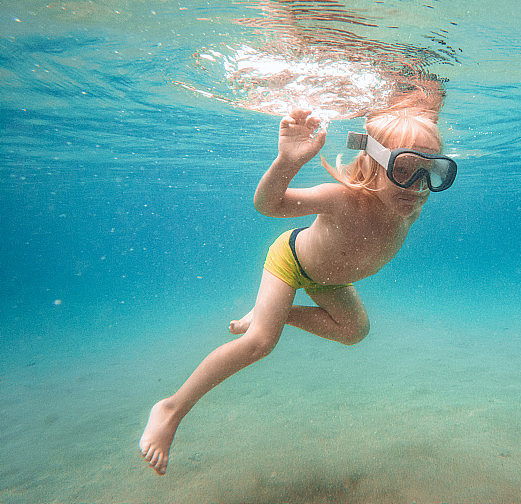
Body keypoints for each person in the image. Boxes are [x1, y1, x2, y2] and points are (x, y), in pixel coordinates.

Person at [139, 89, 456, 475]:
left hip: (331, 281)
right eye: (404, 170)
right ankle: (170, 409)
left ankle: (278, 313)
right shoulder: (343, 199)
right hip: (292, 261)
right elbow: (268, 206)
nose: (417, 185)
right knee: (258, 343)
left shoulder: (408, 205)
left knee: (355, 330)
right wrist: (287, 162)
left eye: (434, 172)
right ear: (373, 163)